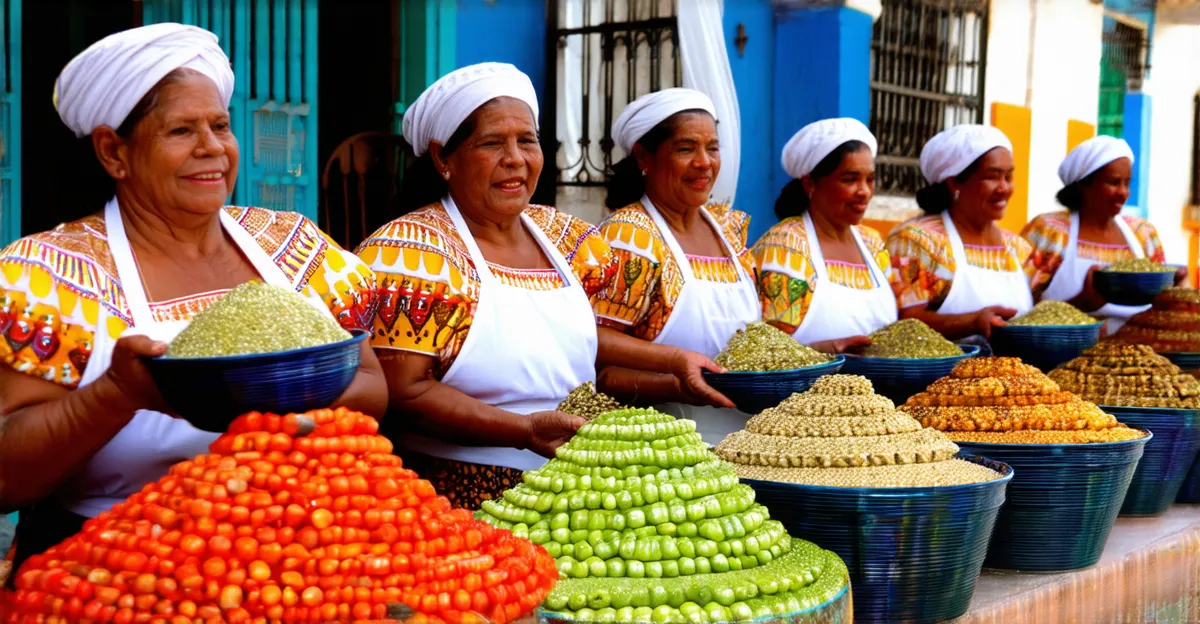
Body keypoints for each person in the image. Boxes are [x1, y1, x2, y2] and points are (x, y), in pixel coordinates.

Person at [0, 24, 386, 568]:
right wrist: (115, 394)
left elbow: (370, 384)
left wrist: (266, 414)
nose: (213, 148)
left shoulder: (293, 249)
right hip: (110, 572)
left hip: (289, 561)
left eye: (220, 126)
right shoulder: (48, 276)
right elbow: (7, 480)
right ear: (113, 152)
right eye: (181, 130)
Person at [357, 65, 728, 508]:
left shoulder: (563, 238)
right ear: (442, 158)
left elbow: (571, 341)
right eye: (492, 143)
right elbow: (405, 391)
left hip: (580, 482)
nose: (515, 158)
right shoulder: (412, 251)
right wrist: (523, 430)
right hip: (467, 489)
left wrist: (674, 361)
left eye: (527, 141)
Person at [590, 88, 753, 443]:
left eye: (712, 148)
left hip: (750, 440)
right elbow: (595, 346)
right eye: (685, 149)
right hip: (667, 447)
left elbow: (757, 338)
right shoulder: (631, 237)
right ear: (643, 156)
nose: (704, 163)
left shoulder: (728, 231)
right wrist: (677, 377)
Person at [753, 118, 897, 353]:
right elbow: (764, 350)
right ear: (810, 183)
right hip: (814, 378)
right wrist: (826, 349)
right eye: (849, 179)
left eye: (870, 179)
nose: (864, 191)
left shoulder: (873, 244)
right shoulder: (785, 248)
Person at [1023, 135, 1187, 333]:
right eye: (1114, 182)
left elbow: (1161, 307)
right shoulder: (1050, 231)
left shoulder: (1142, 233)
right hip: (1064, 347)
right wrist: (1080, 303)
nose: (1123, 192)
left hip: (1139, 349)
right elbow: (1020, 308)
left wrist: (1174, 290)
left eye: (1127, 183)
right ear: (1083, 185)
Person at [887, 124, 1034, 341]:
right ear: (954, 182)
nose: (1004, 188)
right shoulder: (920, 241)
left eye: (1008, 177)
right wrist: (972, 322)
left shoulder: (1017, 248)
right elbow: (904, 321)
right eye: (992, 177)